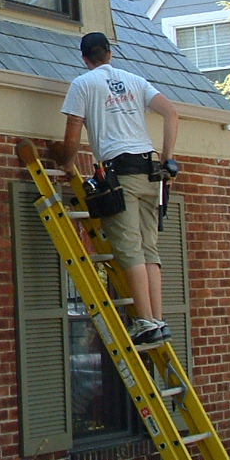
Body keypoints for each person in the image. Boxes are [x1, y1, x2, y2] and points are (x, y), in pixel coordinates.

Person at [54, 32, 180, 345]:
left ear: (85, 59)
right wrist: (168, 158)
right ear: (110, 54)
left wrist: (68, 165)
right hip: (151, 171)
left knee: (129, 250)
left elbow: (72, 131)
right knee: (149, 249)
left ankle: (145, 322)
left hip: (120, 174)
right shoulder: (136, 81)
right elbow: (171, 112)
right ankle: (158, 320)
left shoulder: (83, 84)